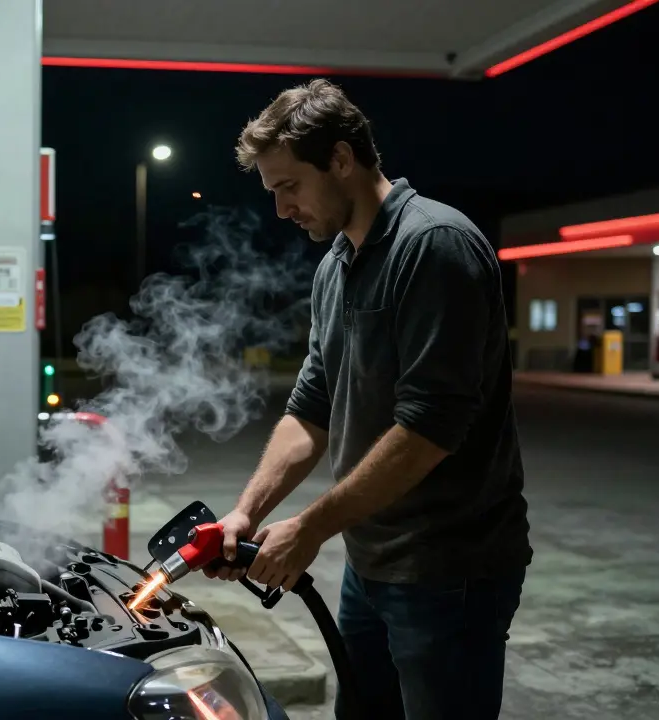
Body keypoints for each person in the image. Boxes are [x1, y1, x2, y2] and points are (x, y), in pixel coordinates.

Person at [207, 78, 532, 720]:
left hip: (448, 568)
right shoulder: (337, 265)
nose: (281, 209)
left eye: (288, 186)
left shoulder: (434, 245)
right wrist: (247, 512)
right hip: (371, 560)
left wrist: (310, 528)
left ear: (341, 160)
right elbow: (312, 405)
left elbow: (430, 426)